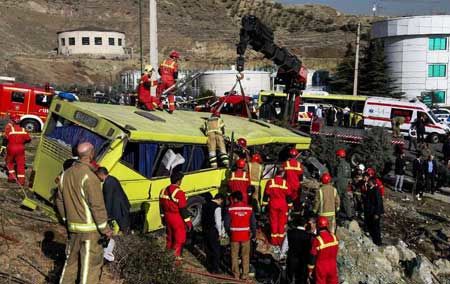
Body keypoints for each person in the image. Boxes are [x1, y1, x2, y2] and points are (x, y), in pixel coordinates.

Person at [55, 142, 113, 283]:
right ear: (91, 154)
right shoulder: (90, 178)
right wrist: (105, 229)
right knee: (89, 268)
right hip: (90, 232)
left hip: (73, 228)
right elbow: (97, 206)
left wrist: (66, 219)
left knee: (71, 264)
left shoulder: (65, 175)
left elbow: (59, 201)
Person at [224, 191, 257, 280]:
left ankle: (236, 274)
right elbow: (253, 223)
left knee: (234, 255)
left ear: (235, 198)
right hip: (246, 235)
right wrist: (253, 233)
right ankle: (245, 274)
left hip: (234, 235)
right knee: (245, 255)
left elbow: (226, 223)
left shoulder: (230, 209)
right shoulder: (249, 208)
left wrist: (229, 233)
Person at [159, 172, 192, 258]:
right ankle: (175, 261)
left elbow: (161, 207)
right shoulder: (179, 193)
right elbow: (183, 209)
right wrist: (188, 223)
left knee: (170, 238)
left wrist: (163, 218)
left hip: (167, 217)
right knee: (179, 239)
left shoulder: (163, 190)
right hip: (176, 218)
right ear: (178, 181)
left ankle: (166, 258)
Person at [262, 167, 293, 246]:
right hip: (283, 205)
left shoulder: (270, 182)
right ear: (282, 174)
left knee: (274, 222)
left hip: (273, 204)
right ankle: (280, 241)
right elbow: (289, 196)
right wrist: (290, 206)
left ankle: (274, 241)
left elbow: (266, 195)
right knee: (282, 223)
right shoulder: (285, 183)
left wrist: (264, 205)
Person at [96, 167, 131, 234]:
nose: (98, 178)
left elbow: (108, 200)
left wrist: (107, 214)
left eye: (98, 176)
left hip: (119, 209)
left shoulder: (108, 183)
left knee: (124, 228)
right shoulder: (111, 179)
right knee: (124, 227)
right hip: (121, 207)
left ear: (101, 174)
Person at [281, 215, 313, 284]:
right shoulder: (309, 236)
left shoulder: (290, 232)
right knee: (301, 278)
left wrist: (282, 255)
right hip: (303, 260)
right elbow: (311, 250)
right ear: (305, 224)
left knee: (289, 277)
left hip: (291, 258)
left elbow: (284, 246)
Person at [307, 216, 339, 284]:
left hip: (321, 267)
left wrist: (310, 270)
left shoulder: (317, 240)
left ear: (318, 226)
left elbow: (312, 256)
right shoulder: (334, 237)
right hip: (332, 265)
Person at [3, 114, 31, 185]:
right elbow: (28, 139)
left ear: (13, 121)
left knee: (10, 162)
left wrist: (3, 148)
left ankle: (12, 178)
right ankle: (21, 181)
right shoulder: (23, 130)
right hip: (21, 148)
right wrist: (22, 142)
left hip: (11, 148)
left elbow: (5, 139)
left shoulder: (10, 129)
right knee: (21, 164)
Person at [201, 193, 226, 274]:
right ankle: (215, 268)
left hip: (205, 229)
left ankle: (209, 266)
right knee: (216, 250)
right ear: (220, 199)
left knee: (208, 248)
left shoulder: (204, 205)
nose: (221, 203)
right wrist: (220, 233)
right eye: (221, 201)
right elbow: (218, 222)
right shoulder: (217, 208)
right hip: (213, 230)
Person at [364, 178, 384, 246]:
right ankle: (374, 240)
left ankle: (378, 242)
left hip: (374, 212)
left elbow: (379, 203)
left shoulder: (376, 190)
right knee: (371, 226)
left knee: (376, 227)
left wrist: (377, 213)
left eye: (369, 181)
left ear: (371, 182)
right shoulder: (370, 189)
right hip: (370, 211)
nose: (367, 182)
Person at [334, 149, 353, 220]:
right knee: (346, 199)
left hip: (340, 183)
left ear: (339, 156)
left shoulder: (339, 165)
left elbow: (338, 177)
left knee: (337, 198)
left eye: (337, 156)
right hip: (346, 183)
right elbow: (349, 175)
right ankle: (349, 215)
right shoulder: (348, 165)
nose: (336, 157)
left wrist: (331, 180)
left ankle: (337, 213)